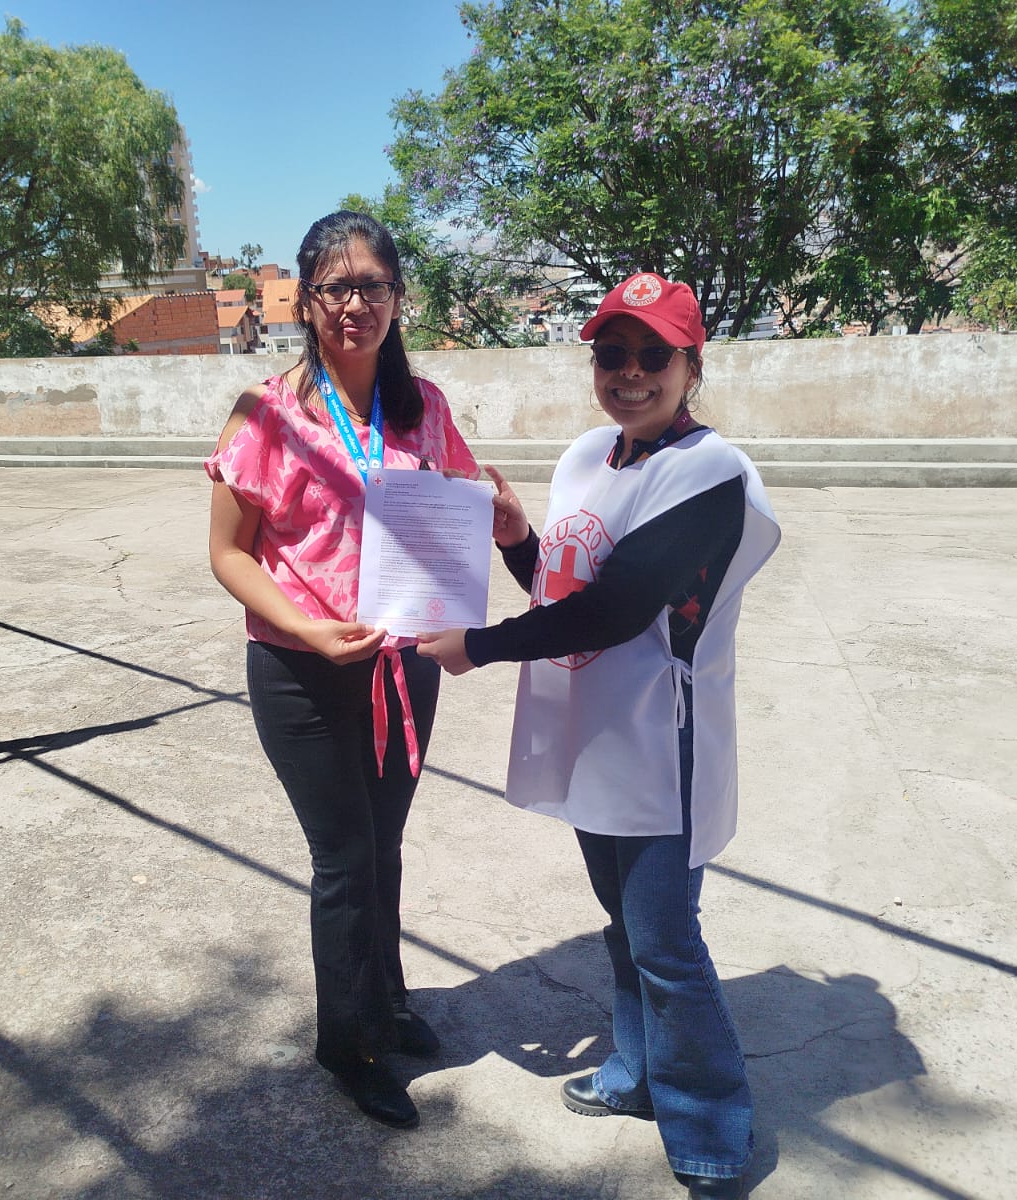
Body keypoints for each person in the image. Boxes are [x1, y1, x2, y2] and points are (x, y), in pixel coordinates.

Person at [417, 274, 780, 1197]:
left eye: (654, 355)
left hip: (664, 739)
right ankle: (636, 1074)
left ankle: (709, 1122)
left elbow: (618, 612)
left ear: (693, 366)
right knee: (624, 928)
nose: (629, 373)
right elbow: (565, 582)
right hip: (594, 732)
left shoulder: (711, 475)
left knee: (666, 940)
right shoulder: (590, 455)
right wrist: (513, 539)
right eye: (611, 354)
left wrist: (478, 648)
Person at [205, 210, 480, 1129]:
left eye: (373, 285)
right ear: (307, 299)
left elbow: (460, 512)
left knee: (385, 847)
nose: (355, 303)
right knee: (345, 857)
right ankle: (350, 1047)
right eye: (336, 286)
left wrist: (464, 609)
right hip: (301, 672)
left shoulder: (424, 408)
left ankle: (389, 1003)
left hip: (404, 669)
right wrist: (311, 629)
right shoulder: (265, 413)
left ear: (399, 297)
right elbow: (230, 555)